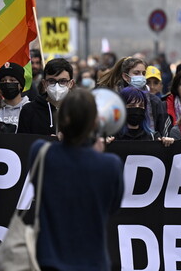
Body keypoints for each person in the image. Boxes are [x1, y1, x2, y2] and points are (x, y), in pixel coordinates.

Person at [29, 88, 123, 270]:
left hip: (48, 260)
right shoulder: (110, 164)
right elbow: (113, 207)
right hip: (93, 263)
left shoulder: (41, 152)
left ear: (62, 119)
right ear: (95, 122)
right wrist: (97, 154)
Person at [97, 56, 168, 136]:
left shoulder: (154, 101)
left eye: (143, 73)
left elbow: (162, 132)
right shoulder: (115, 101)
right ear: (125, 77)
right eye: (136, 73)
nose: (141, 76)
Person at [17, 58, 74, 136]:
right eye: (51, 81)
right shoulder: (29, 110)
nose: (57, 86)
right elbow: (22, 143)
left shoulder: (79, 111)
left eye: (63, 81)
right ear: (44, 83)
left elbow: (87, 143)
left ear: (71, 83)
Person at [0, 62, 30, 127]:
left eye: (12, 80)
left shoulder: (31, 109)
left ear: (21, 85)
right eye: (3, 81)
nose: (7, 83)